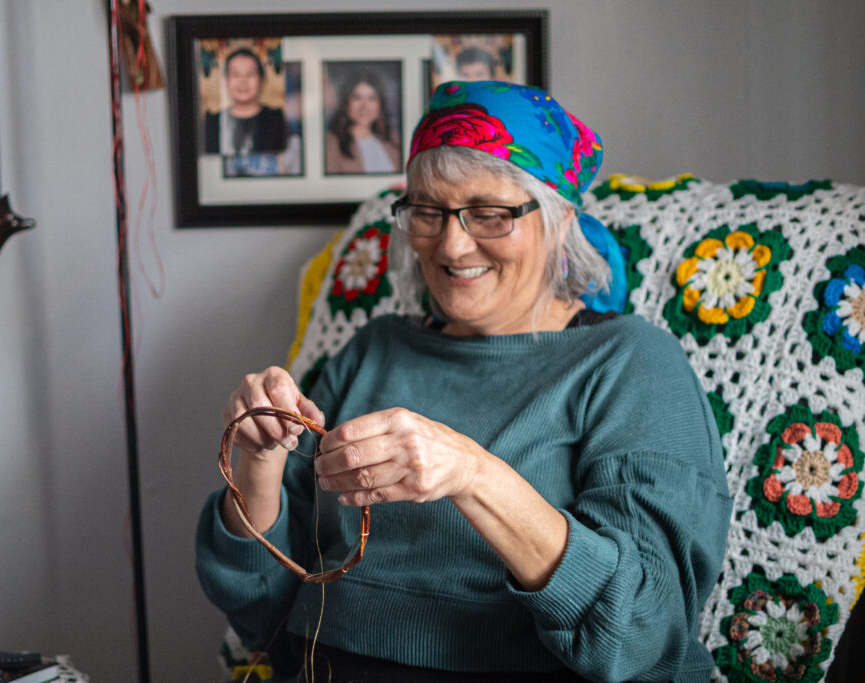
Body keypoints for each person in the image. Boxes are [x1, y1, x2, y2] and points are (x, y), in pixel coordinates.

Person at [197, 80, 732, 682]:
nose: (452, 246)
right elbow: (262, 612)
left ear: (560, 221)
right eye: (428, 212)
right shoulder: (374, 349)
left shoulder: (631, 363)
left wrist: (472, 474)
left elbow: (641, 631)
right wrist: (259, 462)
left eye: (490, 214)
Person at [205, 47, 286, 156]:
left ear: (261, 79)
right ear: (225, 80)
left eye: (250, 74)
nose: (243, 81)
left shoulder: (278, 120)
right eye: (235, 74)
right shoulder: (211, 123)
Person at [324, 71, 401, 175]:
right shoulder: (331, 143)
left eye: (371, 98)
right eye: (357, 97)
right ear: (346, 102)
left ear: (380, 103)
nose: (364, 106)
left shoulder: (393, 140)